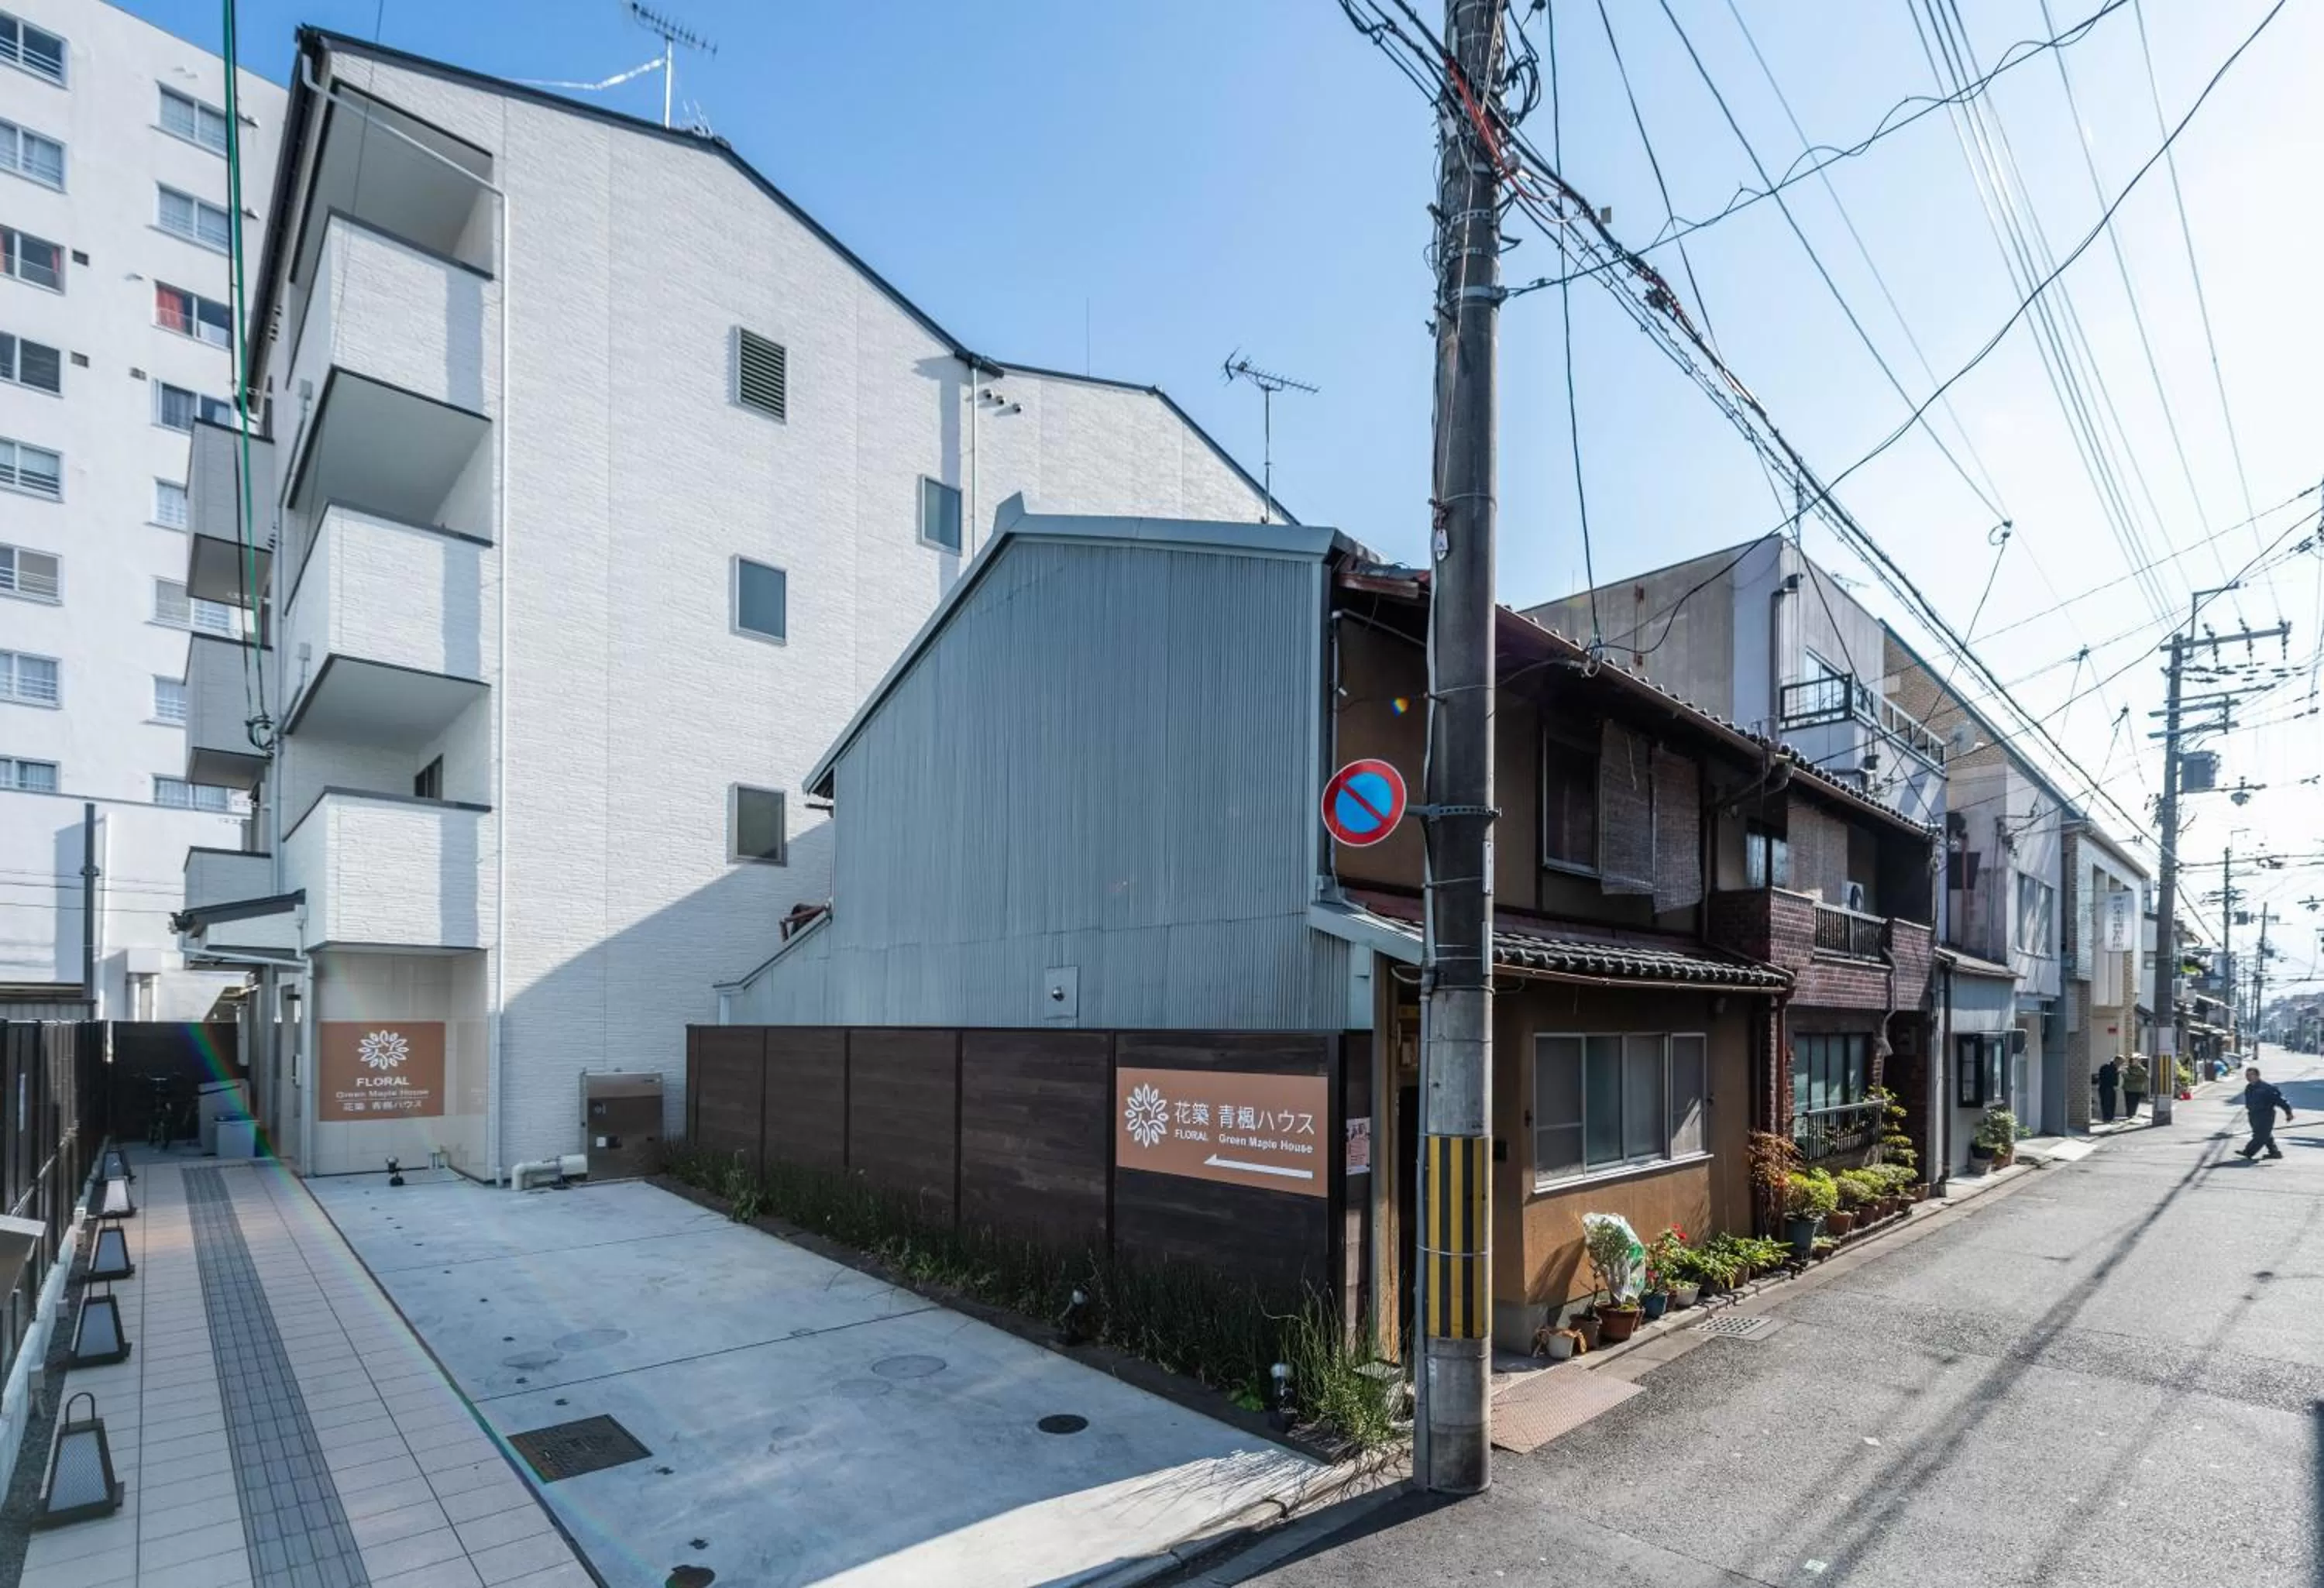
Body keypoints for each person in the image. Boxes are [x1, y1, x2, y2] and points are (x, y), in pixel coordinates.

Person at [2235, 1066, 2294, 1160]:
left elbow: (2281, 1101)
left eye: (2251, 1075)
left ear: (2258, 1076)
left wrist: (2288, 1112)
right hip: (2253, 1114)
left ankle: (2248, 1152)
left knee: (2260, 1135)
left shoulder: (2268, 1088)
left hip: (2265, 1115)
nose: (2248, 1077)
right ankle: (2274, 1152)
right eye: (2247, 1075)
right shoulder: (2249, 1087)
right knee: (2264, 1134)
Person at [2123, 1054, 2150, 1119]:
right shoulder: (2126, 1068)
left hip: (2138, 1089)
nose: (2136, 1062)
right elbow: (2126, 1076)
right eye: (2134, 1061)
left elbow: (2145, 1077)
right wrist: (2137, 1078)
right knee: (2129, 1103)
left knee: (2136, 1103)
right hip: (2129, 1089)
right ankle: (2129, 1115)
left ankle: (2133, 1114)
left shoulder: (2142, 1069)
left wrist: (2135, 1077)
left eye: (2137, 1061)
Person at [2095, 1057, 2121, 1124]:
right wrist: (2117, 1072)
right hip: (2106, 1087)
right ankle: (2107, 1118)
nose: (2120, 1065)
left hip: (2111, 1088)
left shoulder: (2114, 1068)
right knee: (2107, 1103)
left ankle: (2110, 1118)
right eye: (2120, 1063)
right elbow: (2106, 1078)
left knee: (2112, 1103)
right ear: (2116, 1061)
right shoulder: (2107, 1067)